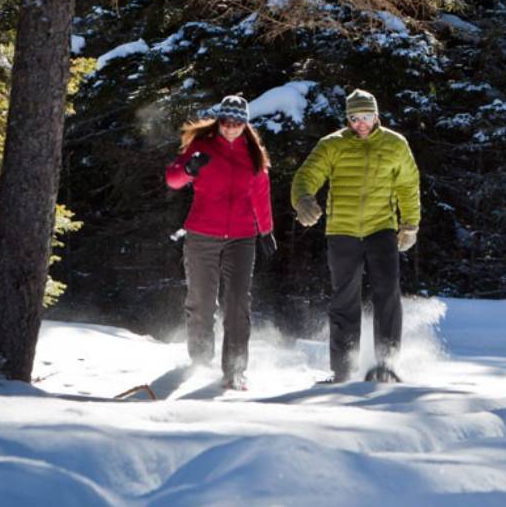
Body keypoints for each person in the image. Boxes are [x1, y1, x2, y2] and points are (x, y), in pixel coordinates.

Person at [291, 89, 420, 383]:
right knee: (344, 299)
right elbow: (306, 176)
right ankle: (343, 370)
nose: (361, 123)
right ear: (347, 119)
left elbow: (408, 186)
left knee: (387, 293)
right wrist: (302, 200)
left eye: (366, 117)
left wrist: (410, 224)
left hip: (381, 229)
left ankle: (386, 365)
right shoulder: (332, 145)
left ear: (376, 116)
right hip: (342, 232)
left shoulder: (395, 144)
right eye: (354, 118)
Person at [166, 94, 276, 390]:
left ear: (245, 123)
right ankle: (201, 360)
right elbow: (173, 179)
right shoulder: (202, 147)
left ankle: (235, 370)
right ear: (219, 121)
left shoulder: (253, 154)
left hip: (242, 238)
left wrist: (266, 231)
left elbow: (260, 195)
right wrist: (188, 169)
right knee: (201, 302)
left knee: (238, 303)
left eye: (237, 122)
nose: (231, 127)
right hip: (202, 234)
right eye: (226, 121)